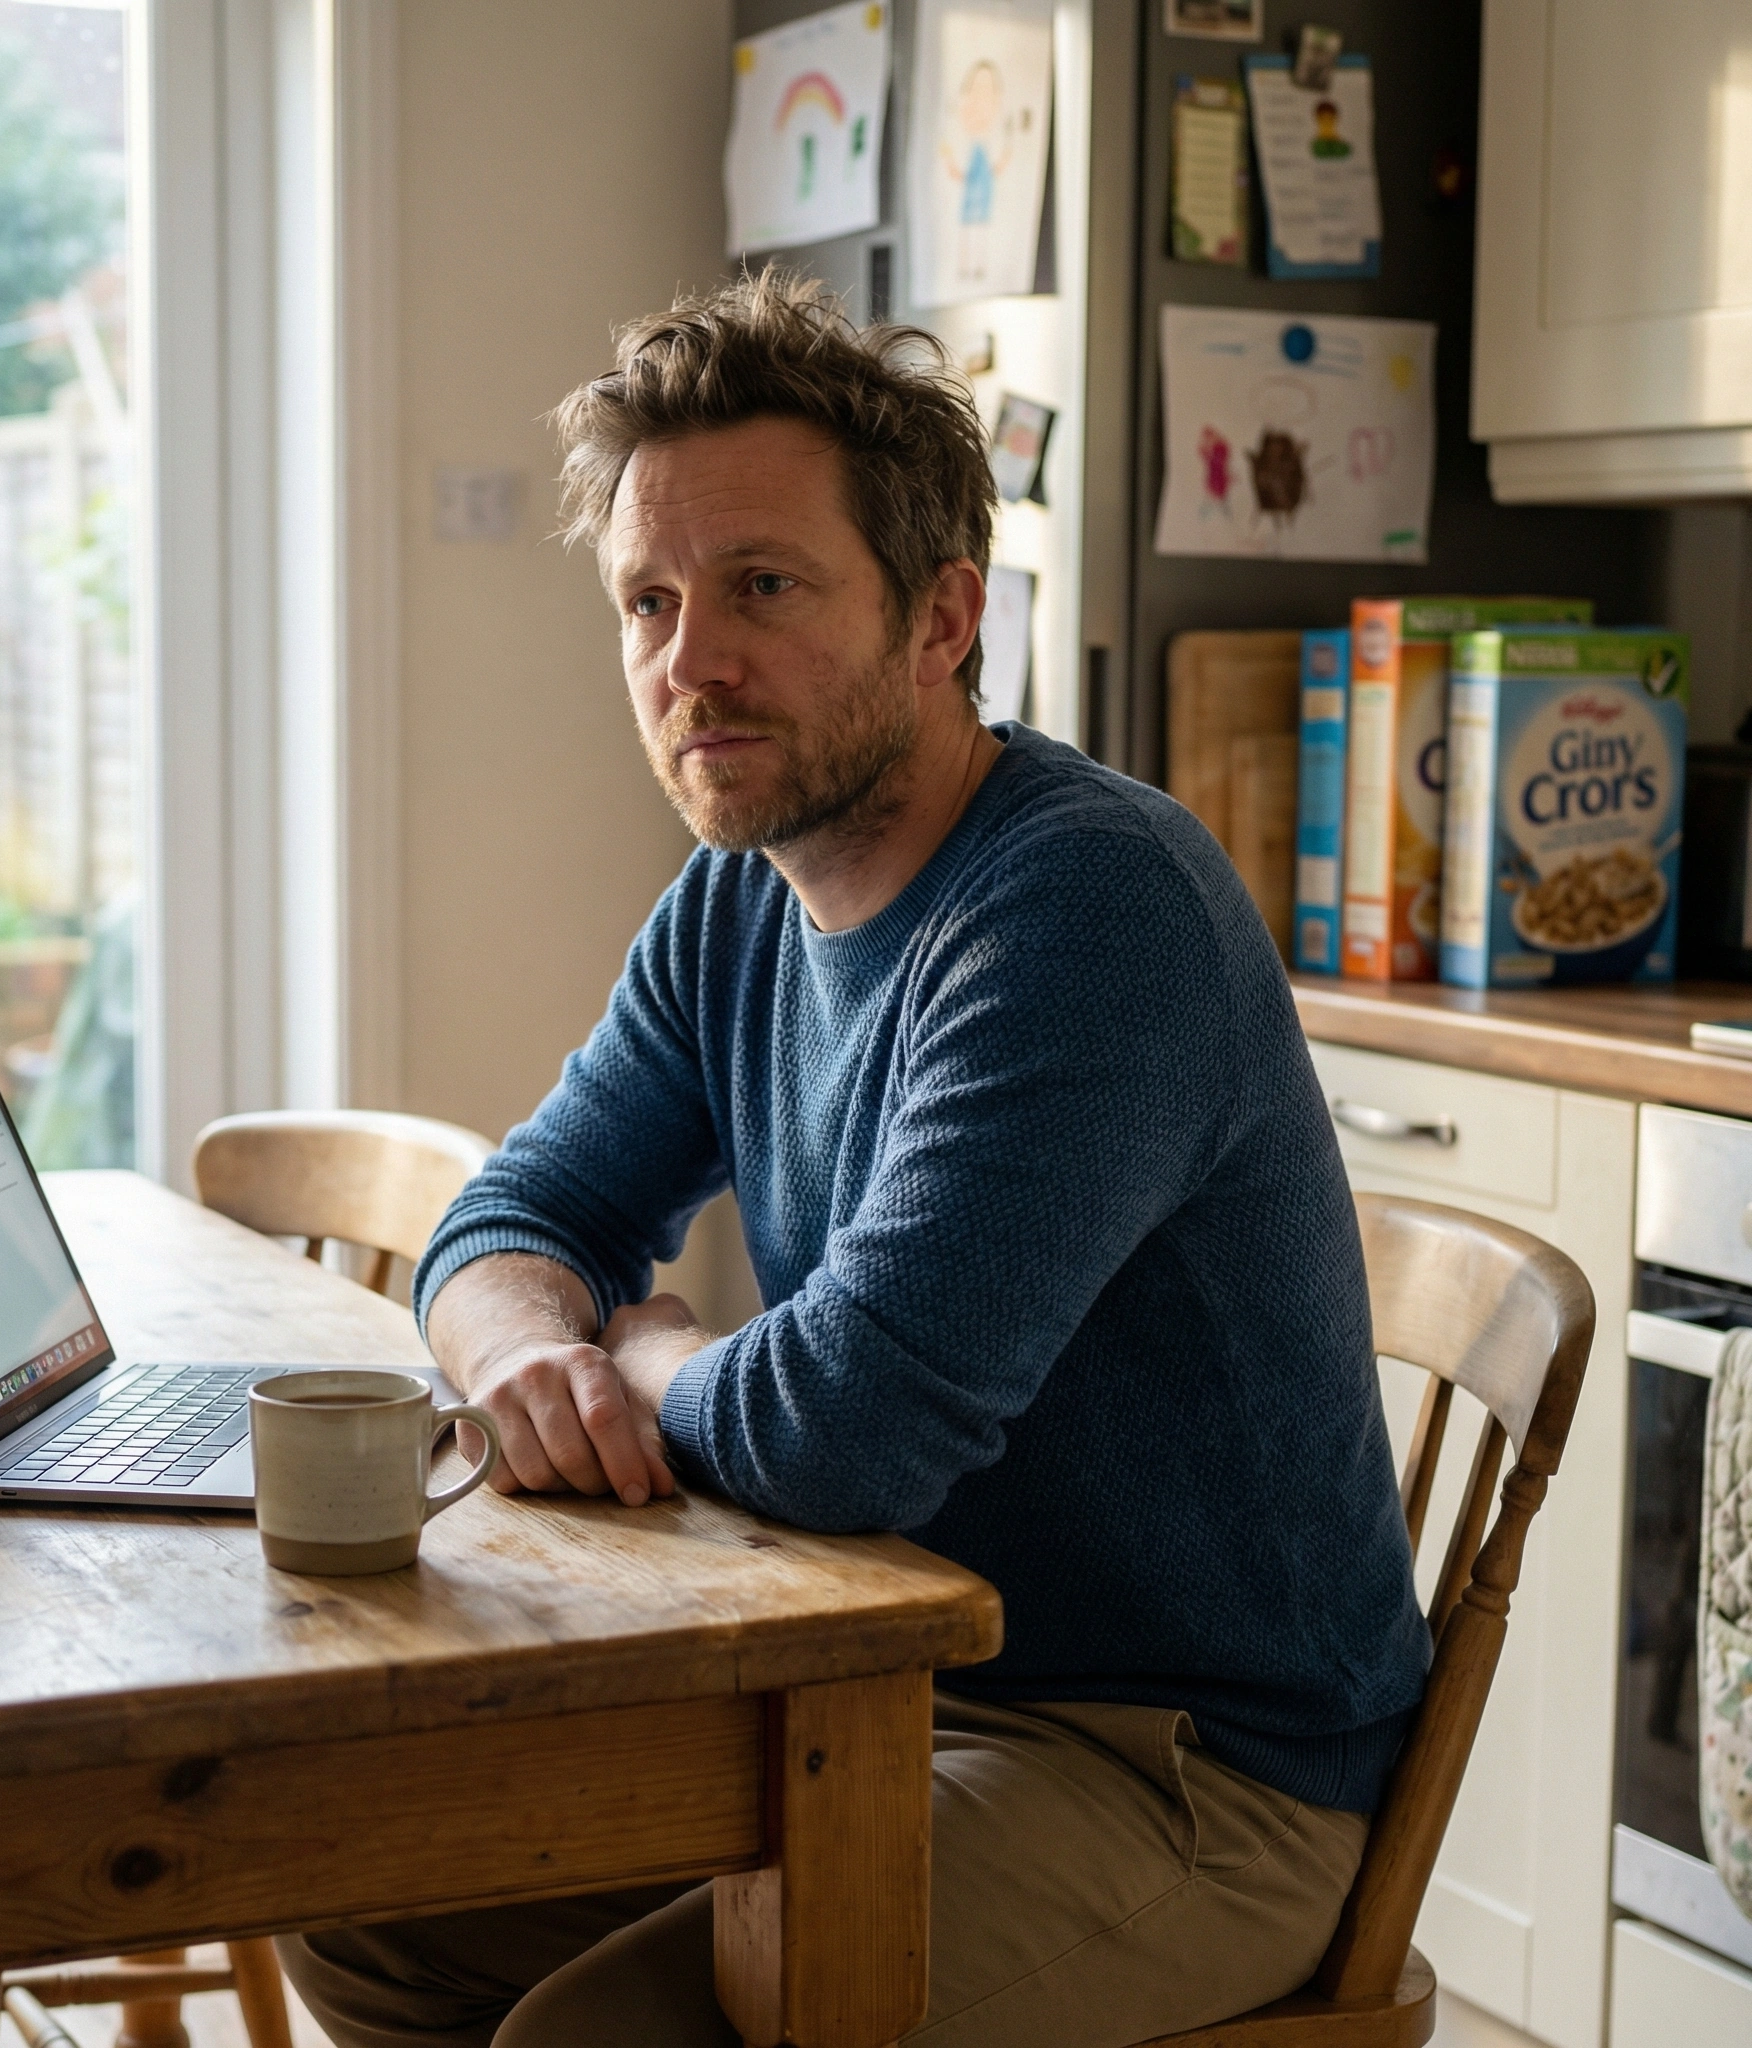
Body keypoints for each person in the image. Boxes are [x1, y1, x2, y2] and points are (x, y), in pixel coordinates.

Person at [276, 269, 1428, 2048]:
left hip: (1195, 1773)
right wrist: (518, 1344)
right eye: (648, 601)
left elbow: (847, 1431)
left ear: (943, 618)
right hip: (883, 1679)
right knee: (372, 1909)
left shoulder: (1088, 908)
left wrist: (648, 1349)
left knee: (606, 2036)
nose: (689, 660)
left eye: (762, 588)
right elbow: (517, 1215)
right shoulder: (740, 900)